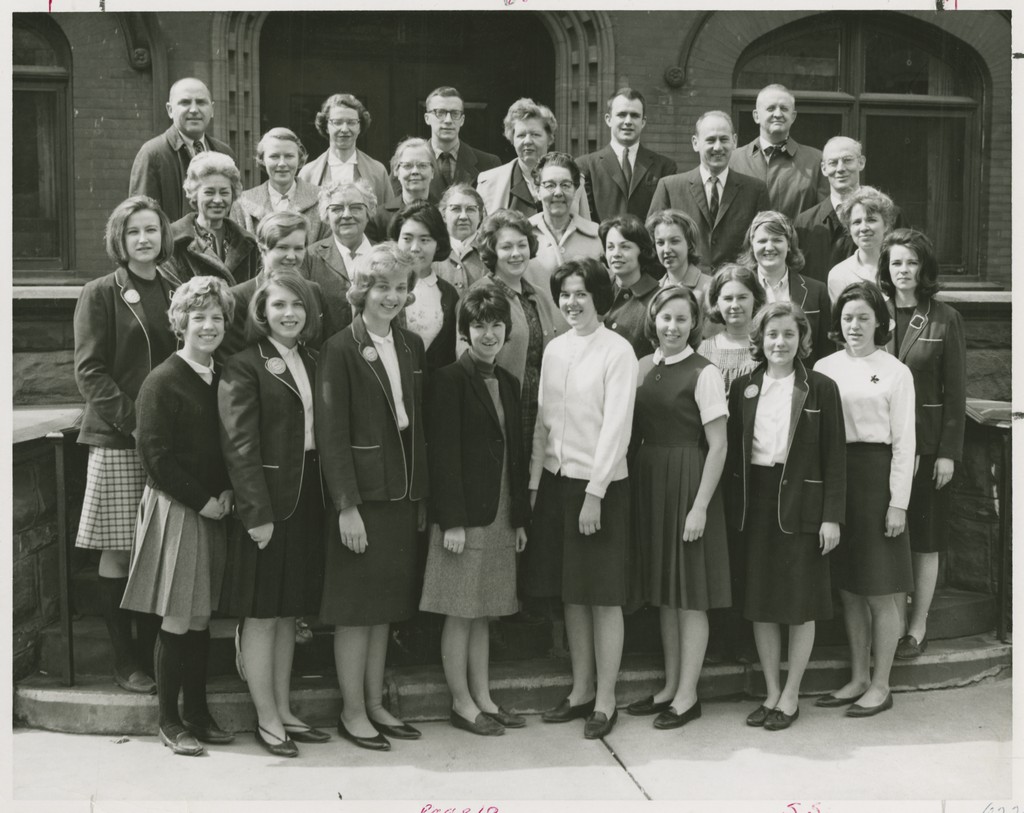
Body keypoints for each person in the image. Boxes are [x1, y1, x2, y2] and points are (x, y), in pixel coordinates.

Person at [315, 242, 429, 752]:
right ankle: (353, 710)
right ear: (362, 289)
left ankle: (377, 703)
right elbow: (332, 433)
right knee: (355, 610)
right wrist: (347, 506)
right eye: (382, 286)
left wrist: (420, 497)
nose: (392, 296)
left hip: (399, 496)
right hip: (362, 498)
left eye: (401, 288)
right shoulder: (339, 348)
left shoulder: (411, 345)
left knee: (384, 607)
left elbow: (416, 427)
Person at [120, 276, 236, 756]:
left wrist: (227, 490)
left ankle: (198, 712)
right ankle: (169, 720)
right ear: (180, 322)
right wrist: (204, 500)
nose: (208, 325)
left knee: (200, 616)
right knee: (177, 616)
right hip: (179, 508)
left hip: (214, 507)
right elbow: (155, 456)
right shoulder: (163, 380)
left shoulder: (223, 374)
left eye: (217, 317)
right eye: (199, 317)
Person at [219, 268, 330, 759]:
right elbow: (238, 447)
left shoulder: (312, 356)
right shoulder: (245, 364)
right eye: (279, 305)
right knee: (263, 615)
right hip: (267, 504)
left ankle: (284, 709)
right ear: (262, 312)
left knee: (288, 613)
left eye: (297, 305)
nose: (289, 313)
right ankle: (265, 718)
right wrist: (255, 513)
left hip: (308, 499)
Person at [73, 195, 181, 696]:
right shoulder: (101, 293)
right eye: (134, 231)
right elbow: (89, 370)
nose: (144, 239)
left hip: (172, 442)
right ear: (120, 238)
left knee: (162, 549)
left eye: (152, 230)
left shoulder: (176, 287)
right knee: (119, 550)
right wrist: (136, 423)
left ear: (164, 236)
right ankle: (126, 660)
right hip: (122, 438)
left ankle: (160, 657)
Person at [529, 257, 638, 740]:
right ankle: (579, 690)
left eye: (581, 293)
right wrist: (535, 485)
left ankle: (607, 698)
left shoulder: (618, 351)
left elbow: (617, 427)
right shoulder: (554, 350)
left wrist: (594, 493)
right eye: (565, 294)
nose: (572, 302)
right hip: (556, 483)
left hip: (601, 487)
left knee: (602, 597)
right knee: (572, 594)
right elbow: (542, 423)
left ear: (598, 295)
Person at [726, 302, 846, 731]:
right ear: (759, 339)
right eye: (772, 334)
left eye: (789, 334)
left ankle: (792, 694)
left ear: (801, 340)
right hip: (755, 504)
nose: (780, 342)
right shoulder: (744, 386)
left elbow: (834, 457)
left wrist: (831, 516)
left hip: (803, 507)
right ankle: (772, 691)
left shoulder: (821, 388)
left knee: (799, 604)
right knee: (761, 604)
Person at [421, 288, 530, 736]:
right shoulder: (448, 379)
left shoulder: (508, 381)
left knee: (484, 609)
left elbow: (516, 454)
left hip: (500, 509)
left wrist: (519, 518)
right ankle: (461, 704)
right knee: (460, 610)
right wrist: (453, 522)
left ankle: (483, 697)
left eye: (496, 326)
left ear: (506, 332)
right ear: (465, 332)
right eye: (479, 326)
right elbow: (444, 456)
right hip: (464, 516)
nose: (488, 334)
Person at [628, 285, 728, 731]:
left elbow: (719, 445)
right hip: (651, 480)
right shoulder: (642, 366)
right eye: (665, 318)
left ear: (694, 324)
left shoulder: (704, 372)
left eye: (682, 319)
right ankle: (670, 686)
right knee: (665, 594)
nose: (672, 326)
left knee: (689, 597)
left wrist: (700, 506)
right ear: (654, 319)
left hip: (689, 479)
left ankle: (688, 695)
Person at [813, 281, 916, 717]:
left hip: (877, 482)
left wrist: (898, 503)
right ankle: (857, 676)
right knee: (850, 589)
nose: (854, 326)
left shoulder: (895, 371)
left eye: (863, 318)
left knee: (879, 590)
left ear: (879, 322)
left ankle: (881, 683)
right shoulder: (824, 366)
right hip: (838, 481)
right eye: (847, 317)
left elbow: (905, 443)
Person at [878, 230, 967, 660]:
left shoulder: (944, 318)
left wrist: (948, 451)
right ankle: (892, 625)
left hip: (929, 446)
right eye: (896, 263)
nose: (903, 271)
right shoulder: (875, 314)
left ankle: (917, 626)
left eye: (911, 263)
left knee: (924, 538)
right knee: (891, 536)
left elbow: (956, 392)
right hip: (883, 444)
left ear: (923, 268)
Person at [461, 209, 567, 462]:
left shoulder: (540, 296)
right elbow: (467, 364)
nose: (516, 253)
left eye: (522, 245)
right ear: (492, 252)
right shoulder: (480, 295)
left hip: (539, 415)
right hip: (499, 415)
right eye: (506, 247)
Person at [648, 111, 769, 270]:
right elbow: (651, 241)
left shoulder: (755, 190)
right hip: (685, 288)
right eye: (710, 140)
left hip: (735, 288)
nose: (718, 147)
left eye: (724, 139)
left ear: (734, 141)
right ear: (695, 143)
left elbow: (764, 242)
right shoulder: (670, 187)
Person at [794, 136, 907, 284]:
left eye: (847, 160)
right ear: (824, 168)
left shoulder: (892, 215)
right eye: (833, 163)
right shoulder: (805, 222)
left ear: (861, 162)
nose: (840, 169)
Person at [220, 212, 333, 358]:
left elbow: (325, 348)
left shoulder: (314, 290)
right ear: (262, 248)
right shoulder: (237, 298)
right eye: (282, 248)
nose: (291, 256)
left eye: (298, 248)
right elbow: (231, 360)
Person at [129, 77, 234, 223]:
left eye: (201, 102)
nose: (194, 110)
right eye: (185, 102)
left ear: (212, 110)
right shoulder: (153, 154)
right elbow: (141, 218)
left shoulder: (224, 153)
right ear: (170, 110)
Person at [736, 210, 831, 363]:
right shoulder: (739, 289)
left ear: (789, 245)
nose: (769, 247)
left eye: (777, 240)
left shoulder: (817, 291)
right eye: (762, 241)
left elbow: (826, 351)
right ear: (752, 245)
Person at [476, 98, 589, 220]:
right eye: (521, 135)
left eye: (535, 134)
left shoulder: (574, 180)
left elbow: (585, 230)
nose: (528, 141)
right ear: (512, 139)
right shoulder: (488, 183)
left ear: (550, 138)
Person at [575, 87, 677, 222]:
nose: (628, 121)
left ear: (643, 122)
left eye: (635, 115)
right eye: (622, 114)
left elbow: (666, 219)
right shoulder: (586, 166)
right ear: (608, 119)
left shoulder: (665, 167)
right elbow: (584, 218)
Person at [729, 84, 828, 221]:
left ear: (793, 117)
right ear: (756, 116)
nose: (778, 114)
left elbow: (823, 218)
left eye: (784, 109)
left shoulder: (816, 161)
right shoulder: (733, 160)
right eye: (770, 108)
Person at [166, 151, 260, 286]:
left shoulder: (249, 243)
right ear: (194, 195)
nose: (217, 200)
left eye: (224, 192)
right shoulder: (173, 242)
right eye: (209, 192)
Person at [389, 200, 459, 372]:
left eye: (424, 240)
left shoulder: (449, 295)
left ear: (438, 244)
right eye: (407, 238)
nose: (414, 248)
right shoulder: (381, 288)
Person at [304, 180, 378, 337]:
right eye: (337, 209)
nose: (346, 215)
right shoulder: (310, 257)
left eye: (356, 208)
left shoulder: (383, 256)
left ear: (369, 212)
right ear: (326, 215)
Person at [231, 127, 325, 243]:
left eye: (289, 156)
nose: (282, 163)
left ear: (299, 159)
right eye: (274, 156)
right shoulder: (242, 203)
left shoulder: (321, 199)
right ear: (262, 160)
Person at [525, 151, 602, 290]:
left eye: (566, 185)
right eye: (550, 185)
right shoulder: (522, 234)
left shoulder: (597, 236)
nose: (558, 192)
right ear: (537, 190)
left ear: (575, 189)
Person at [298, 93, 391, 207]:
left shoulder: (378, 171)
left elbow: (387, 218)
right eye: (337, 122)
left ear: (359, 127)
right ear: (326, 127)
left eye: (351, 122)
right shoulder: (308, 173)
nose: (345, 129)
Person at [421, 85, 501, 199]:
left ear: (462, 120)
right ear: (427, 118)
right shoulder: (409, 163)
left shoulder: (489, 163)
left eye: (455, 114)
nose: (448, 120)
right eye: (440, 112)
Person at [698, 264, 766, 395]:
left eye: (742, 297)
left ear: (755, 299)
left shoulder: (766, 347)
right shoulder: (702, 350)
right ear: (716, 303)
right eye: (728, 298)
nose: (735, 305)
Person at [600, 213, 661, 358]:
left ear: (642, 251)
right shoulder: (597, 289)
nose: (616, 254)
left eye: (625, 247)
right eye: (610, 247)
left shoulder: (658, 299)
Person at [826, 186, 896, 303]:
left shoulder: (901, 266)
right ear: (849, 229)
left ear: (886, 225)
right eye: (857, 222)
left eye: (871, 220)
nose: (863, 228)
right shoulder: (839, 275)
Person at [369, 137, 439, 241]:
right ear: (396, 171)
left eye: (422, 165)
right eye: (408, 166)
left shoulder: (443, 212)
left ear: (432, 172)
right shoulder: (379, 218)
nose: (415, 171)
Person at [645, 209, 713, 297]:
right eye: (660, 243)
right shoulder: (653, 292)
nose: (667, 250)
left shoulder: (710, 287)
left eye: (674, 241)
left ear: (689, 243)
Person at [437, 183, 488, 296]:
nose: (463, 216)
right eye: (456, 209)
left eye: (470, 209)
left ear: (480, 215)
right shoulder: (434, 253)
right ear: (444, 215)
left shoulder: (490, 249)